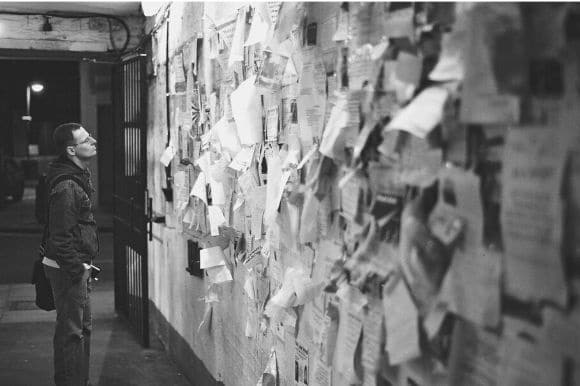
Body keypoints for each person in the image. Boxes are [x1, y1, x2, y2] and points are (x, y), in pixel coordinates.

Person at [43, 122, 98, 386]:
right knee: (71, 333)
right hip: (67, 268)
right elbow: (61, 236)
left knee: (81, 331)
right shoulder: (67, 185)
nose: (94, 141)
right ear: (71, 150)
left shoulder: (78, 175)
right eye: (86, 140)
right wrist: (78, 269)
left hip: (76, 265)